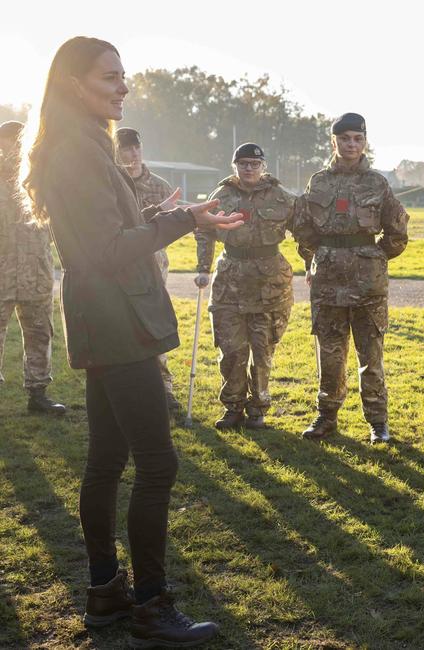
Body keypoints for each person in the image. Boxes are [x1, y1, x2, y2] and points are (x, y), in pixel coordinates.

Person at [20, 36, 243, 647]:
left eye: (124, 75)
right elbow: (110, 250)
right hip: (117, 324)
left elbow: (111, 236)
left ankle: (105, 592)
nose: (123, 86)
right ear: (74, 84)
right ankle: (150, 604)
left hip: (106, 319)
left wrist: (176, 216)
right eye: (109, 76)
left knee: (106, 462)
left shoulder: (85, 144)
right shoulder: (77, 152)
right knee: (157, 463)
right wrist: (185, 220)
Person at [294, 113, 409, 444]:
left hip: (366, 283)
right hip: (327, 280)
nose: (352, 145)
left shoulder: (376, 182)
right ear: (335, 142)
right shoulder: (318, 182)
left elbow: (397, 227)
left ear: (365, 142)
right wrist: (319, 255)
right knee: (330, 353)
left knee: (370, 355)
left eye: (358, 139)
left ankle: (377, 421)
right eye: (345, 139)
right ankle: (326, 416)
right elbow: (303, 226)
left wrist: (376, 256)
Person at [194, 143, 295, 430]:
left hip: (270, 283)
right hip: (230, 282)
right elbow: (203, 230)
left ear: (264, 166)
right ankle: (233, 407)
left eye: (254, 163)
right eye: (243, 163)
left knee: (262, 351)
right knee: (231, 350)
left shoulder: (281, 196)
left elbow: (304, 228)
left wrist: (313, 262)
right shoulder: (221, 195)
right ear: (234, 165)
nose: (248, 168)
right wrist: (203, 267)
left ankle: (259, 408)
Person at [0, 121, 66, 414]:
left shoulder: (42, 180)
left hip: (36, 273)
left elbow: (62, 221)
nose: (14, 147)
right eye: (8, 141)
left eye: (18, 141)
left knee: (40, 334)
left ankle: (38, 394)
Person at [115, 126, 180, 414]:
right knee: (122, 326)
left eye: (136, 147)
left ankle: (163, 389)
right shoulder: (112, 184)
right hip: (120, 265)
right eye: (126, 148)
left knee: (155, 324)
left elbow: (171, 226)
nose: (133, 152)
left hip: (153, 265)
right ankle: (128, 390)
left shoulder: (160, 185)